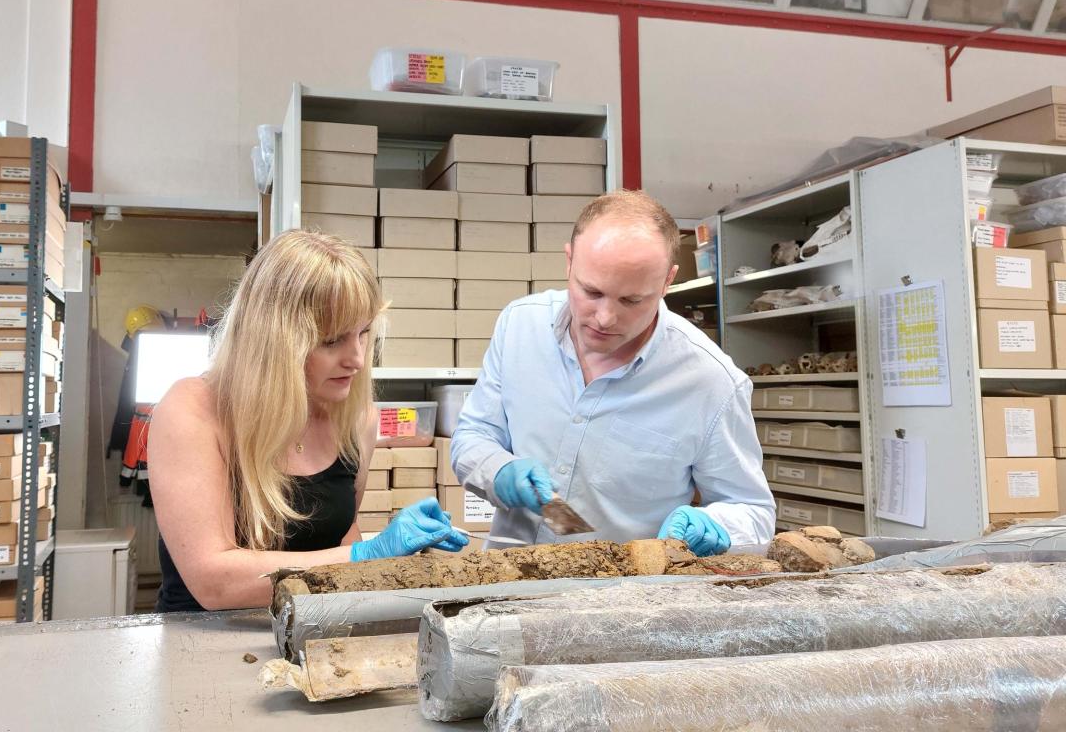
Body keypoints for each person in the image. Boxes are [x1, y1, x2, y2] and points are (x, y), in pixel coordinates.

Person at [149, 230, 467, 612]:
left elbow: (339, 537)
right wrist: (367, 556)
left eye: (364, 333)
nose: (358, 359)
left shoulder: (355, 418)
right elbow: (215, 582)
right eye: (332, 341)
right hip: (203, 643)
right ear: (274, 340)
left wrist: (390, 558)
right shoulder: (193, 410)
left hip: (309, 634)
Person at [451, 190, 775, 555]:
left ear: (668, 281)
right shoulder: (519, 326)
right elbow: (473, 436)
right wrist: (497, 470)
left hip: (625, 599)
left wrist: (720, 525)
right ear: (569, 261)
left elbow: (753, 509)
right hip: (506, 577)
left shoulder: (711, 383)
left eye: (632, 301)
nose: (605, 318)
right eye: (591, 291)